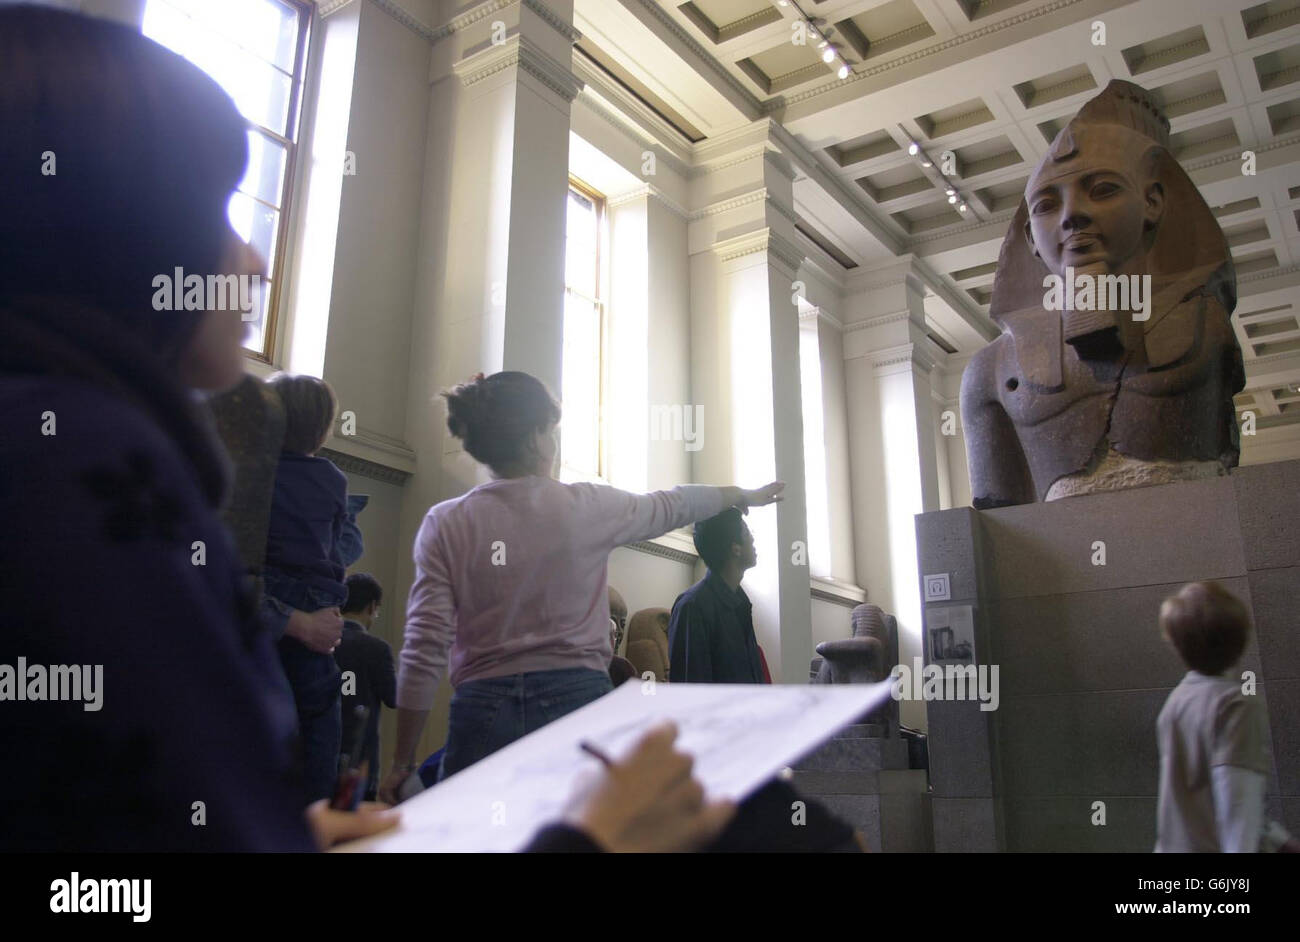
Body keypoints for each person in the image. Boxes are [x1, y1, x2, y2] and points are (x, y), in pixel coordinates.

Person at [0, 7, 738, 855]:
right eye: (216, 211)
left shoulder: (79, 448)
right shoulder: (82, 461)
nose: (255, 261)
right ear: (111, 232)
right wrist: (595, 839)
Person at [380, 370, 784, 797]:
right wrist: (741, 494)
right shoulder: (586, 506)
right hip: (576, 704)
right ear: (537, 437)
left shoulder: (445, 522)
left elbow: (424, 647)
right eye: (551, 431)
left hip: (483, 710)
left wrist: (401, 761)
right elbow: (675, 503)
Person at [262, 371, 365, 801]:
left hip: (270, 596)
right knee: (320, 725)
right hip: (313, 605)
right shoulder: (332, 479)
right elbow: (336, 545)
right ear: (322, 430)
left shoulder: (257, 474)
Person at [1154, 582, 1273, 852]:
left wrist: (1278, 840)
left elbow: (1199, 796)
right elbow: (1236, 809)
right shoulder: (1237, 705)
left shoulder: (1177, 701)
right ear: (1240, 638)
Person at [668, 508, 766, 683]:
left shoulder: (741, 603)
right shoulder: (692, 607)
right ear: (735, 549)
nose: (753, 538)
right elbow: (691, 689)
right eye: (747, 532)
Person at [336, 573, 397, 801]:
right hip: (361, 757)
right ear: (372, 606)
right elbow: (393, 698)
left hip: (319, 753)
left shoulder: (323, 640)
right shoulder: (376, 648)